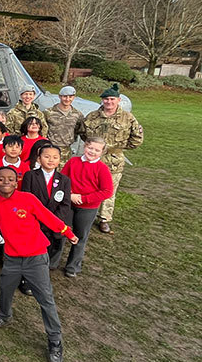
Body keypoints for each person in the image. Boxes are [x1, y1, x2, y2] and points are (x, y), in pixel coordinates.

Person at [0, 167, 78, 362]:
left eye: (10, 179)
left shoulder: (28, 199)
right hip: (12, 258)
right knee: (5, 290)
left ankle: (55, 341)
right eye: (1, 179)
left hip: (36, 257)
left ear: (16, 181)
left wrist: (67, 232)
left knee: (45, 299)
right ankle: (4, 315)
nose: (6, 182)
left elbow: (48, 217)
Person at [81, 83, 144, 234]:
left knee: (109, 190)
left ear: (118, 100)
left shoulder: (127, 118)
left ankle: (104, 219)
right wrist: (93, 149)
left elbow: (137, 138)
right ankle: (88, 215)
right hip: (92, 160)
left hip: (113, 161)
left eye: (111, 99)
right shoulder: (92, 116)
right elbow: (83, 133)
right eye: (106, 99)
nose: (108, 102)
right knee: (89, 187)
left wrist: (118, 148)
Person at [61, 137, 114, 277]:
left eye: (97, 150)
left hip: (88, 208)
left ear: (102, 152)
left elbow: (107, 191)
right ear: (85, 146)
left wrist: (84, 199)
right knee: (61, 232)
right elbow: (62, 180)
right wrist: (70, 194)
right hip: (69, 203)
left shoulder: (102, 168)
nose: (92, 152)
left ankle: (73, 267)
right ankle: (52, 262)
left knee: (80, 236)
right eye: (90, 148)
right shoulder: (73, 162)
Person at [21, 144, 73, 270]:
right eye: (47, 157)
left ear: (60, 160)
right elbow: (26, 200)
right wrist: (41, 219)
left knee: (51, 247)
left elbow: (65, 204)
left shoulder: (64, 180)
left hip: (54, 222)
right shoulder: (30, 176)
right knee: (32, 250)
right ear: (39, 159)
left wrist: (52, 221)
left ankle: (46, 267)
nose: (51, 160)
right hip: (36, 221)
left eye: (55, 157)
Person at [44, 86, 85, 163]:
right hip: (50, 148)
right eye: (65, 96)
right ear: (59, 96)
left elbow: (81, 131)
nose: (67, 99)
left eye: (70, 97)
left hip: (66, 151)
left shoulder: (77, 114)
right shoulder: (48, 112)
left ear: (74, 97)